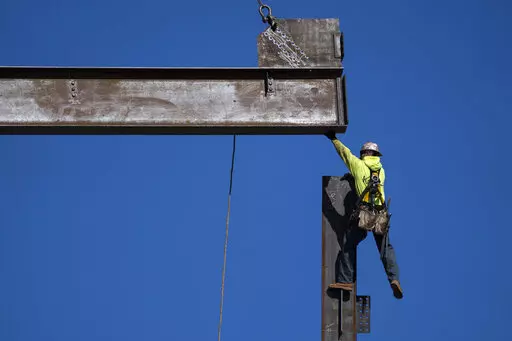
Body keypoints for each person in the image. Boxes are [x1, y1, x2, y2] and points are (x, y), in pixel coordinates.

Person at [324, 130, 403, 299]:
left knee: (348, 244)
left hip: (364, 214)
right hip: (381, 214)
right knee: (386, 248)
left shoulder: (358, 166)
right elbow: (366, 179)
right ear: (376, 155)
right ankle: (394, 279)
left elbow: (345, 154)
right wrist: (352, 178)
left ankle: (345, 281)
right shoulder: (380, 171)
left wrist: (333, 138)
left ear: (364, 154)